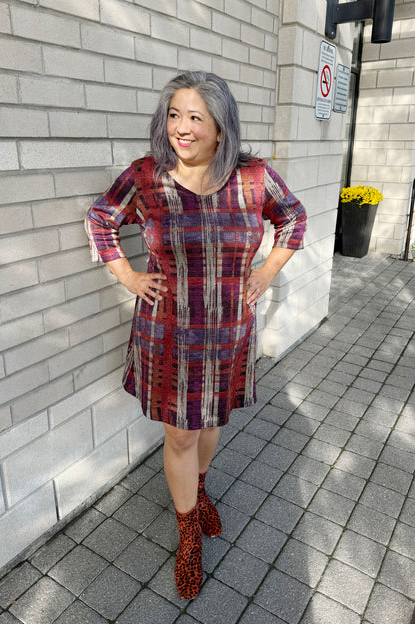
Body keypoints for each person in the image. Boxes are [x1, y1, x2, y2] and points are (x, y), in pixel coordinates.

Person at [85, 71, 307, 599]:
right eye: (174, 115)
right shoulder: (146, 176)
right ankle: (188, 531)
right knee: (180, 431)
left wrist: (265, 273)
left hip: (229, 326)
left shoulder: (253, 177)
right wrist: (130, 276)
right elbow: (101, 219)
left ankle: (199, 489)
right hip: (169, 332)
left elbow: (294, 219)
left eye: (195, 117)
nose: (181, 128)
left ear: (221, 127)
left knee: (212, 417)